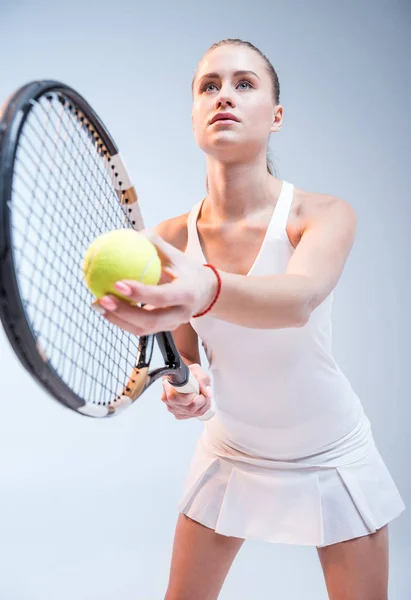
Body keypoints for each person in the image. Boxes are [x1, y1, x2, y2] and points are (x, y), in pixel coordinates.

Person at [94, 39, 405, 600]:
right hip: (231, 451)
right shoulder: (167, 241)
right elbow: (187, 353)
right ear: (193, 116)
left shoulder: (323, 215)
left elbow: (298, 299)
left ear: (275, 116)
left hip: (333, 453)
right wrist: (189, 386)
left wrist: (204, 286)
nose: (224, 98)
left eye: (244, 84)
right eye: (208, 87)